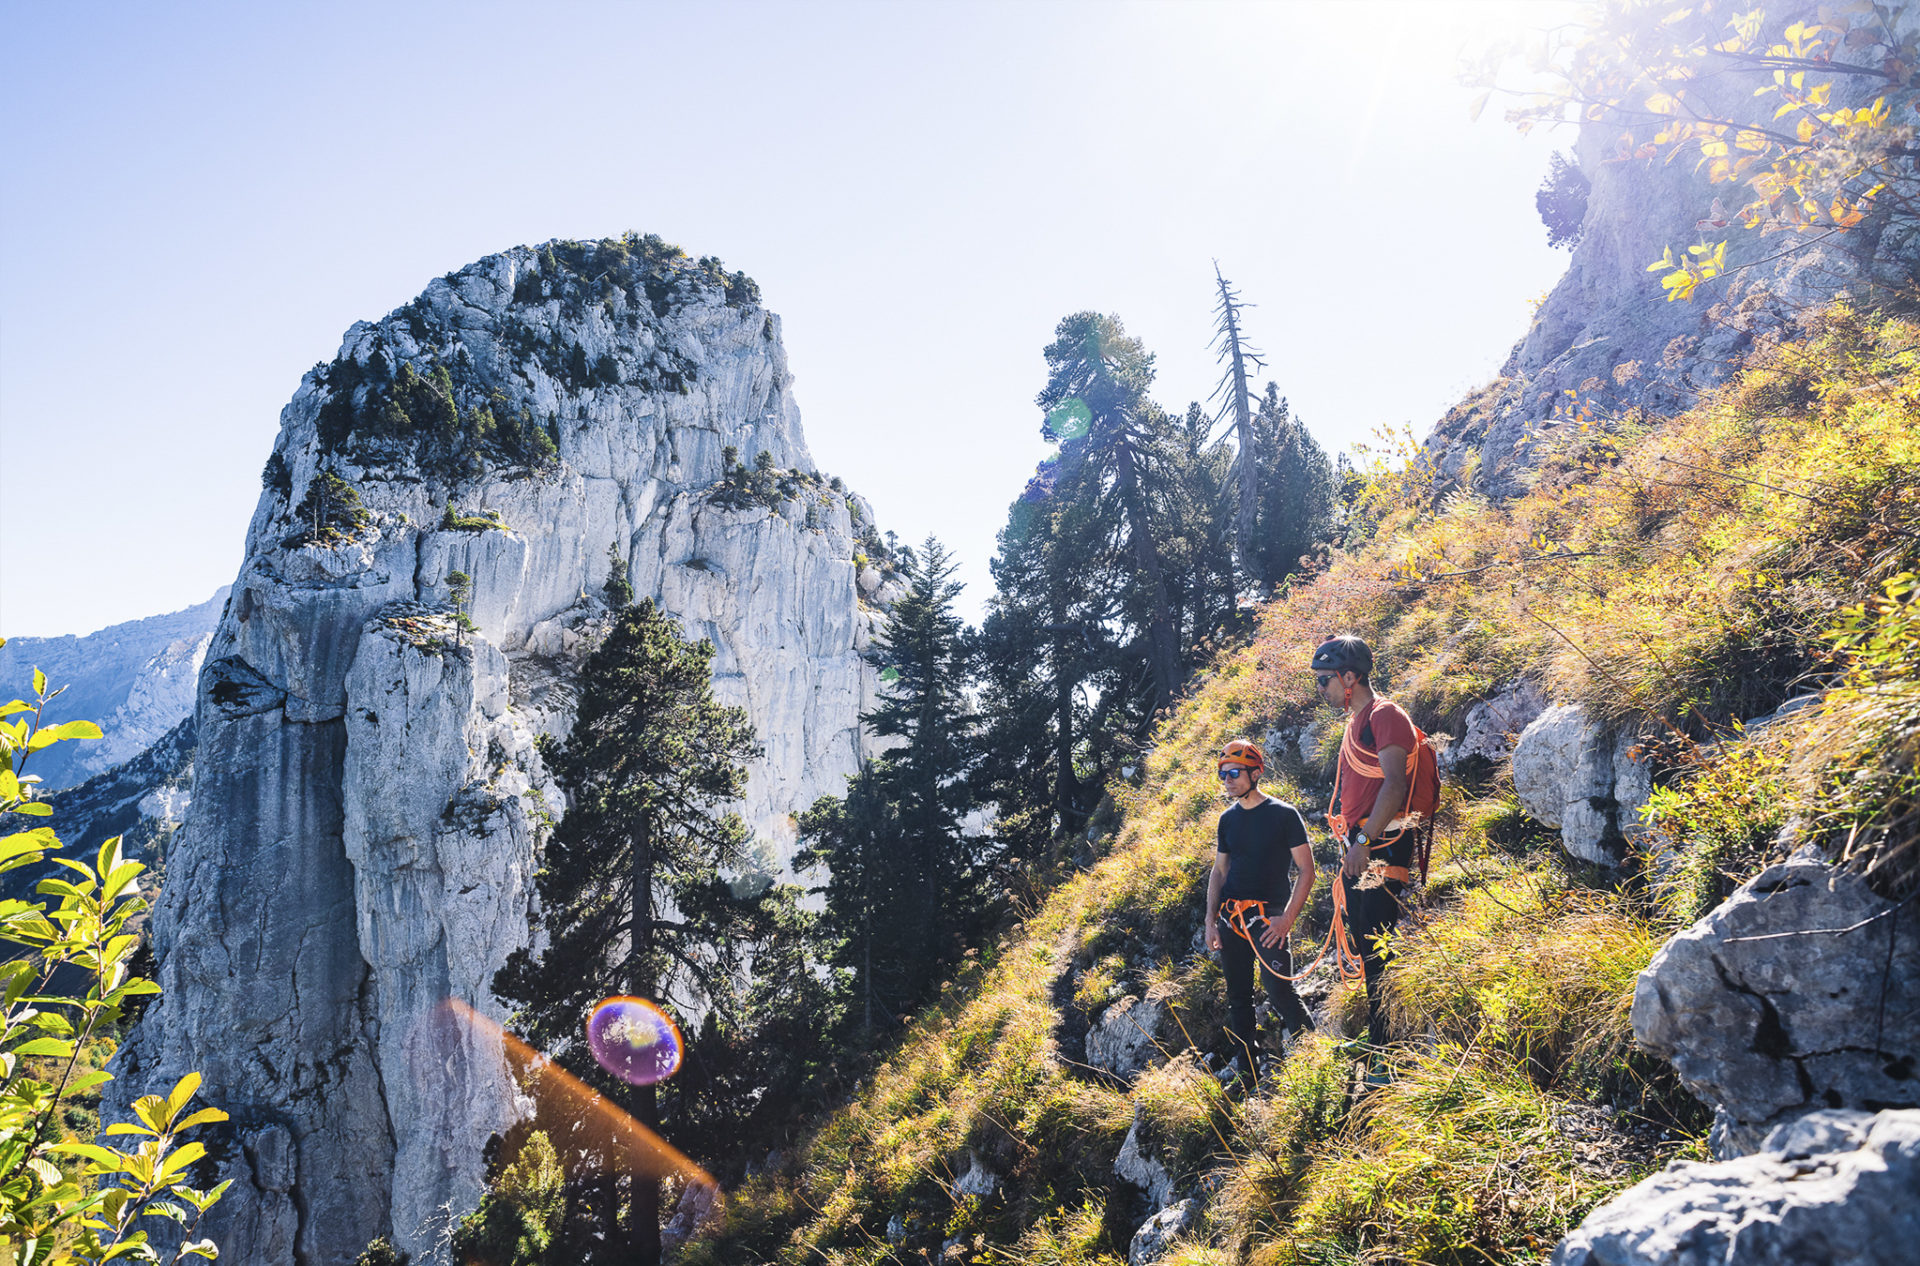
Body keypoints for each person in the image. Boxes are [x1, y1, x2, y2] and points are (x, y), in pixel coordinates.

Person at [1312, 635, 1415, 1079]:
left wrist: (1364, 841)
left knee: (1379, 951)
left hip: (1380, 847)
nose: (1321, 690)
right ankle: (1380, 1041)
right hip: (1363, 848)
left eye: (1324, 682)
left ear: (1349, 677)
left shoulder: (1385, 715)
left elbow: (1394, 785)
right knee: (1370, 950)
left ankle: (1387, 1054)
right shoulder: (1358, 723)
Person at [1204, 739, 1316, 1085]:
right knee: (1238, 997)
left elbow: (1307, 870)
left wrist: (1287, 920)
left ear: (1256, 773)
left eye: (1234, 773)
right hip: (1231, 919)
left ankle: (1315, 1058)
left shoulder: (1284, 815)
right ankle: (1248, 1073)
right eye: (1223, 775)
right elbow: (1219, 871)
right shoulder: (1227, 820)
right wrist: (1210, 920)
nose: (1228, 780)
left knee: (1279, 990)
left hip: (1268, 918)